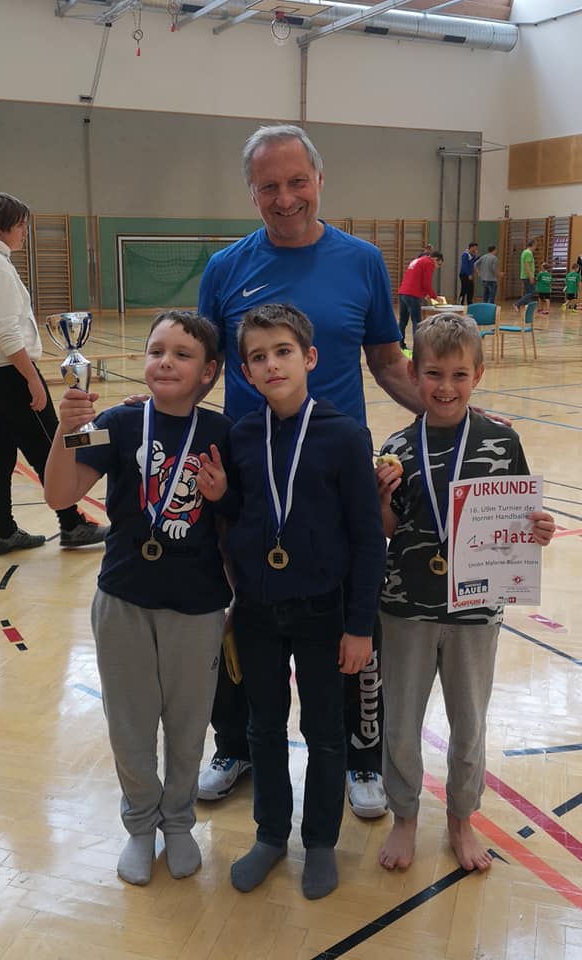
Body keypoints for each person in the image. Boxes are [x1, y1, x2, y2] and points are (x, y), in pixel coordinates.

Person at [196, 123, 424, 821]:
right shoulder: (225, 268)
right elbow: (203, 367)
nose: (286, 197)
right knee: (242, 613)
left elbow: (387, 362)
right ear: (252, 192)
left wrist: (449, 409)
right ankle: (234, 744)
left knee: (350, 616)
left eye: (298, 181)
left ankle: (360, 756)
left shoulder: (362, 261)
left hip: (335, 478)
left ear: (320, 180)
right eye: (269, 186)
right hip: (248, 479)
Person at [197, 303, 385, 899]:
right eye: (258, 357)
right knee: (263, 727)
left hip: (323, 610)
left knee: (326, 731)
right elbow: (247, 514)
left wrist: (360, 626)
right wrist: (222, 497)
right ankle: (271, 835)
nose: (271, 365)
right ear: (246, 371)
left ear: (309, 358)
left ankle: (320, 841)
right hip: (257, 608)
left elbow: (367, 539)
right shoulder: (242, 434)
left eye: (282, 352)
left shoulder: (344, 436)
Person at [44, 310, 233, 886]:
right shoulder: (116, 423)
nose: (165, 362)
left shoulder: (224, 434)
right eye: (156, 351)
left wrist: (222, 498)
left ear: (209, 371)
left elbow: (236, 524)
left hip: (197, 605)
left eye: (182, 354)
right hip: (123, 599)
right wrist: (64, 429)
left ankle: (178, 822)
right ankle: (140, 825)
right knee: (128, 725)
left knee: (188, 726)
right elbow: (60, 493)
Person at [375, 314, 555, 873]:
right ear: (413, 374)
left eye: (458, 374)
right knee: (400, 723)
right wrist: (381, 497)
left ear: (477, 374)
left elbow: (522, 518)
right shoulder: (396, 447)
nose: (446, 387)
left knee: (469, 723)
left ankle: (461, 818)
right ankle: (405, 816)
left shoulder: (501, 441)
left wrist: (538, 528)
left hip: (476, 610)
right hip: (405, 608)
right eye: (433, 373)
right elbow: (385, 529)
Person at [0, 192, 108, 555]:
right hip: (8, 372)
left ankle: (4, 531)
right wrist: (31, 377)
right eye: (21, 226)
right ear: (2, 226)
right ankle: (72, 524)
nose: (24, 232)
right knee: (48, 444)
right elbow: (3, 330)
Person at [397, 251, 445, 348]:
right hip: (412, 295)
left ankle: (400, 345)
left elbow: (415, 279)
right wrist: (435, 297)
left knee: (403, 321)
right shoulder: (429, 263)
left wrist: (425, 294)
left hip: (403, 293)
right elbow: (426, 284)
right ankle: (418, 348)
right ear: (435, 259)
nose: (437, 267)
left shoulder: (417, 261)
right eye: (439, 264)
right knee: (417, 322)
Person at [514, 239, 537, 312]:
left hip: (525, 275)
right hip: (527, 276)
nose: (535, 247)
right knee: (531, 292)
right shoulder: (528, 253)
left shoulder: (525, 252)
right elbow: (527, 266)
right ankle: (517, 304)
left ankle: (526, 308)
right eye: (535, 245)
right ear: (533, 245)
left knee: (528, 293)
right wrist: (530, 277)